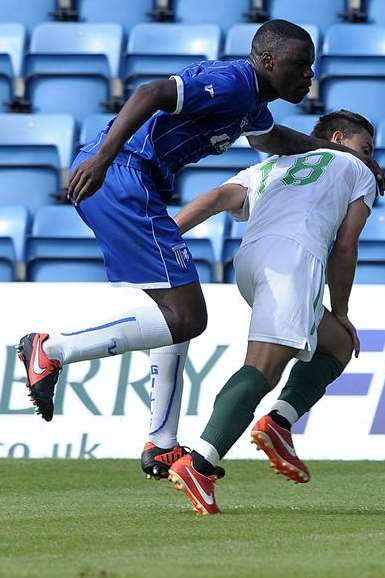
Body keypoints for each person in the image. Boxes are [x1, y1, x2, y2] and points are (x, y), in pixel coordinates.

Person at [16, 20, 381, 478]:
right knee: (188, 315)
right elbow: (150, 92)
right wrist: (104, 157)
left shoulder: (253, 106)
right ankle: (52, 350)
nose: (309, 75)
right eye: (299, 65)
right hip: (125, 173)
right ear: (268, 61)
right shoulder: (232, 82)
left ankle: (162, 443)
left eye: (311, 66)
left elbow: (278, 141)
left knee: (176, 317)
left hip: (137, 182)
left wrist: (347, 156)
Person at [167, 110, 377, 515]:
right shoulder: (356, 168)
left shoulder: (273, 165)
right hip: (294, 258)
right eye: (366, 147)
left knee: (335, 343)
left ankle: (279, 423)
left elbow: (214, 200)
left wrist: (164, 238)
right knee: (263, 367)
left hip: (249, 262)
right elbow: (346, 246)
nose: (371, 157)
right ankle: (200, 463)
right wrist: (343, 308)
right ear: (338, 137)